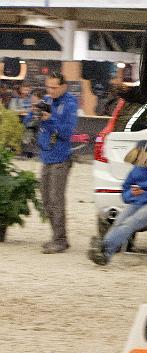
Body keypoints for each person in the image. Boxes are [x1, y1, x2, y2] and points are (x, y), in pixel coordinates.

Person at [88, 159, 147, 266]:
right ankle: (105, 252)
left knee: (130, 223)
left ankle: (103, 249)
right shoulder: (138, 168)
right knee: (119, 221)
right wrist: (131, 194)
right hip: (138, 202)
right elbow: (125, 193)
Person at [38, 72, 78, 254]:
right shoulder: (47, 100)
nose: (50, 91)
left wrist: (50, 119)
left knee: (56, 200)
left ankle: (60, 240)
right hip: (46, 156)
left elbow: (67, 132)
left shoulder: (70, 104)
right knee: (46, 200)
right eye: (48, 87)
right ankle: (57, 236)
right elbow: (42, 126)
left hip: (61, 158)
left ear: (64, 86)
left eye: (54, 87)